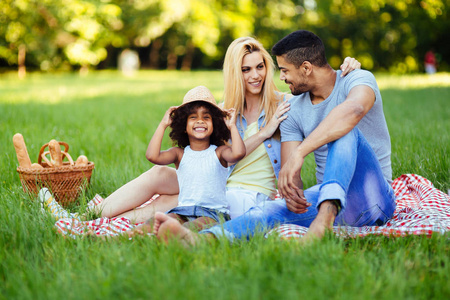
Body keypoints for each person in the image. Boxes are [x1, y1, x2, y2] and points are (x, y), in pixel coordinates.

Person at [40, 37, 361, 230]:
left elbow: (323, 87)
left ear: (269, 67)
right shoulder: (225, 111)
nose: (254, 75)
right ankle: (86, 216)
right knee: (158, 175)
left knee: (176, 198)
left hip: (239, 194)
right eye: (245, 69)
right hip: (217, 178)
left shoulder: (284, 107)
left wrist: (347, 66)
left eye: (260, 66)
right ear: (235, 73)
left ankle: (93, 226)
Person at [151, 30, 396, 244]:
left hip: (373, 197)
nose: (281, 77)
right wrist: (291, 193)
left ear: (307, 68)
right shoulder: (295, 108)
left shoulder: (357, 79)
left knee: (346, 130)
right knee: (265, 212)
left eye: (285, 70)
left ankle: (324, 221)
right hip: (325, 201)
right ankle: (200, 241)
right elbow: (290, 175)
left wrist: (302, 151)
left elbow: (352, 111)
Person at [126, 85, 245, 235]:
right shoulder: (179, 154)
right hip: (182, 210)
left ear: (214, 124)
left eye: (206, 117)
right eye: (193, 117)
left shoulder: (219, 152)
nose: (200, 121)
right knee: (158, 221)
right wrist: (163, 125)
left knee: (193, 226)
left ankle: (169, 236)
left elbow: (239, 153)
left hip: (212, 214)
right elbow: (152, 156)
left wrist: (232, 126)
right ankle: (125, 236)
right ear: (184, 125)